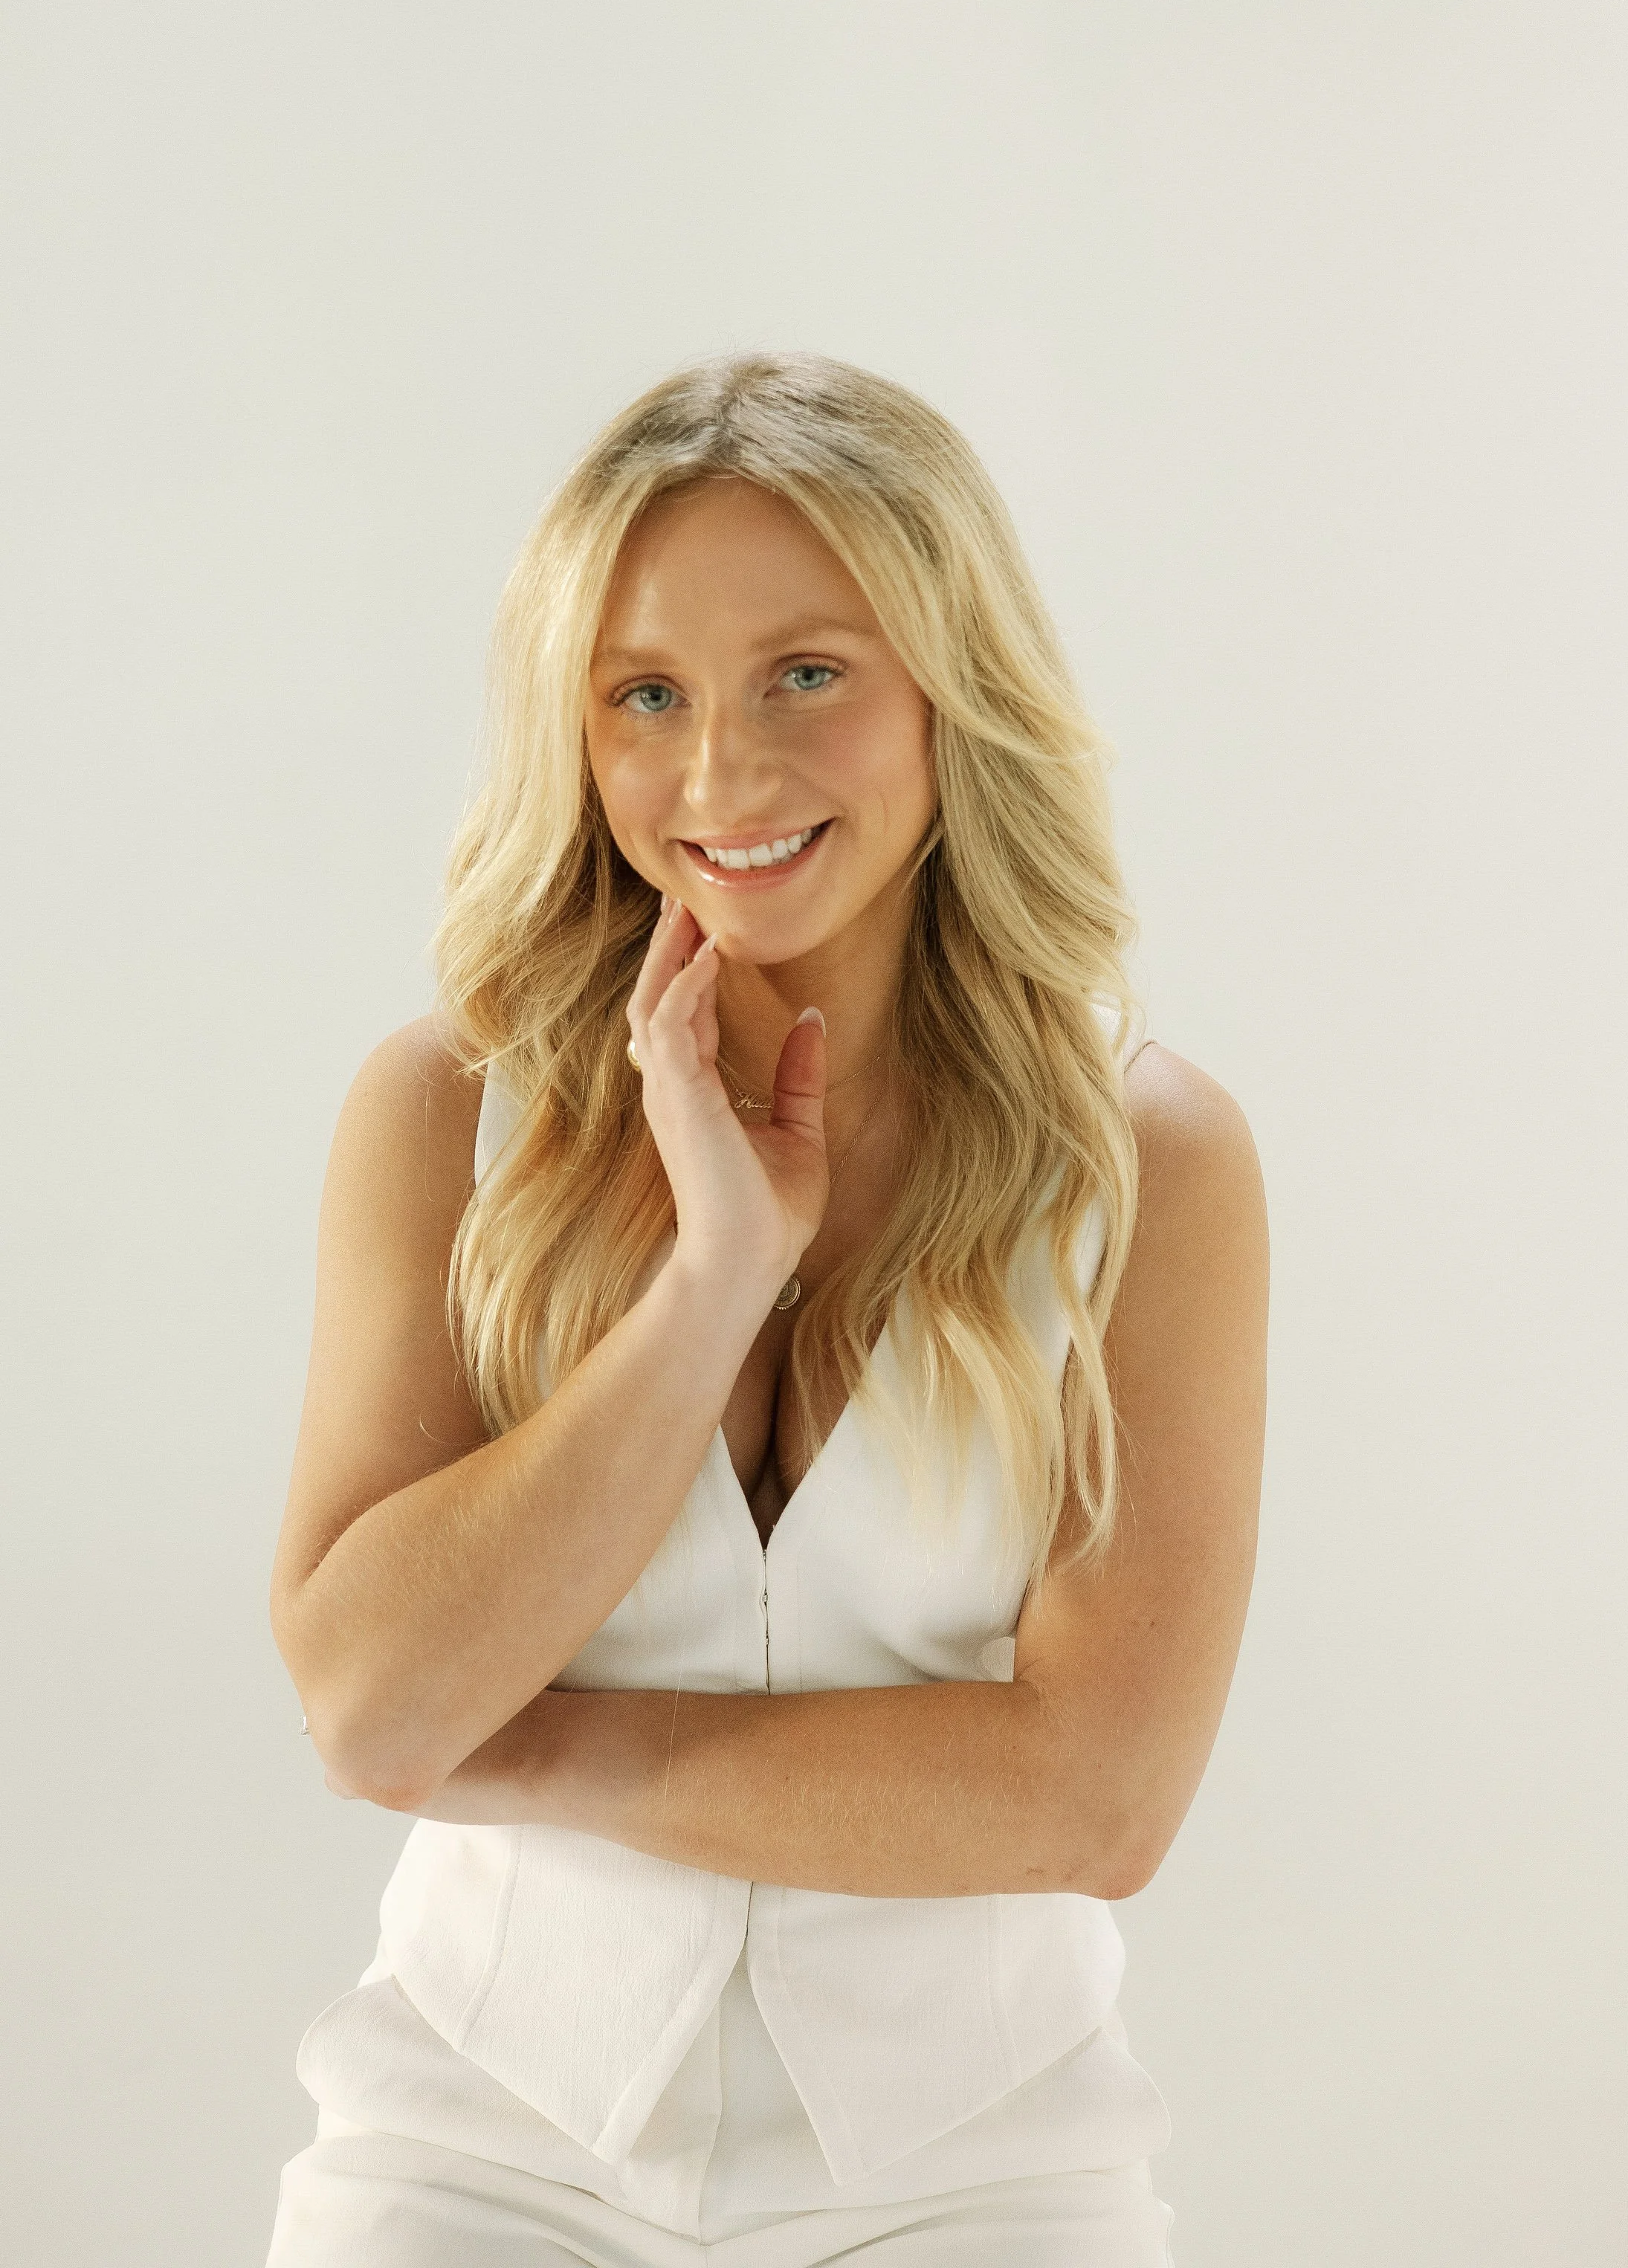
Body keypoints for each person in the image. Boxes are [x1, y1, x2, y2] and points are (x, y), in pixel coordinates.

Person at [263, 351, 1268, 2267]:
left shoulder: (1150, 1169)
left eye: (809, 674)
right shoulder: (446, 1116)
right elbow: (375, 1701)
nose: (721, 778)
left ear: (949, 693)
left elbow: (1096, 1792)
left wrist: (545, 1750)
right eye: (649, 695)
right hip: (473, 2147)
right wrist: (709, 1285)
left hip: (987, 2174)